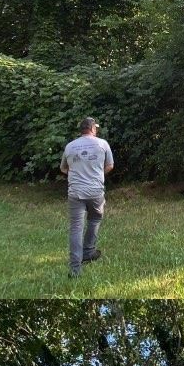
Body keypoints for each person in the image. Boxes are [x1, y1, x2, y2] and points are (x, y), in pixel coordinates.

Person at [60, 116, 114, 277]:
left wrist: (77, 173)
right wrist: (97, 174)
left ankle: (75, 269)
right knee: (95, 219)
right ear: (92, 129)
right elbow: (110, 165)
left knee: (76, 227)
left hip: (75, 192)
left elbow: (63, 168)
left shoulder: (70, 146)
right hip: (95, 191)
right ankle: (89, 251)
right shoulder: (102, 144)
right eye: (95, 128)